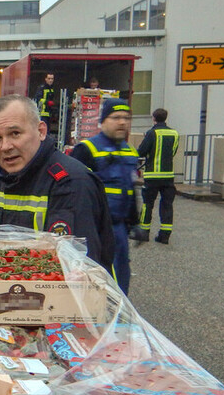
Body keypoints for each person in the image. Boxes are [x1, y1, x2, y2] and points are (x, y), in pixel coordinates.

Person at [0, 94, 115, 271]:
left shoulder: (71, 183)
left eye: (15, 133)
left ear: (41, 131)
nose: (5, 146)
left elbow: (79, 268)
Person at [70, 98, 144, 294]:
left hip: (119, 228)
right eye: (116, 117)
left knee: (120, 277)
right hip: (94, 229)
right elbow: (71, 193)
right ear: (102, 121)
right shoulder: (87, 150)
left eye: (126, 118)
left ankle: (119, 318)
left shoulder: (129, 152)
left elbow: (129, 190)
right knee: (94, 277)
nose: (122, 122)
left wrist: (136, 222)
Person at [136, 108, 179, 244]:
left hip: (152, 175)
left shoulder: (151, 133)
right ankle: (164, 235)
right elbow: (173, 152)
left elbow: (141, 151)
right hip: (168, 176)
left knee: (148, 204)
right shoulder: (174, 134)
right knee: (167, 205)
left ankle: (144, 233)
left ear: (153, 118)